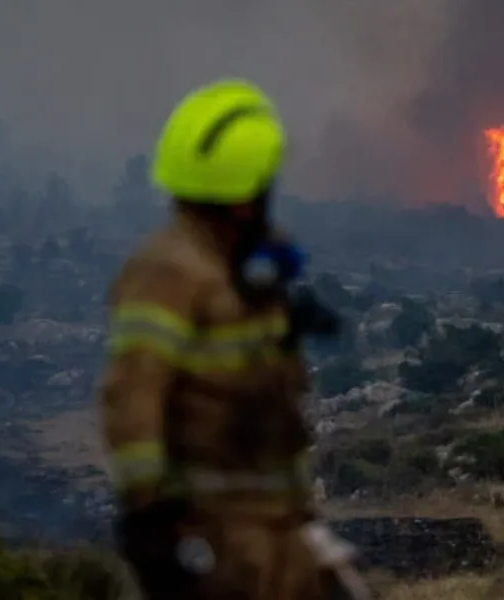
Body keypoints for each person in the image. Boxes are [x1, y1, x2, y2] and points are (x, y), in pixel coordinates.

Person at [99, 78, 370, 600]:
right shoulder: (168, 273)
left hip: (280, 529)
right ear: (244, 195)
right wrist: (150, 519)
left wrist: (285, 324)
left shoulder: (240, 268)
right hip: (217, 535)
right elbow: (133, 400)